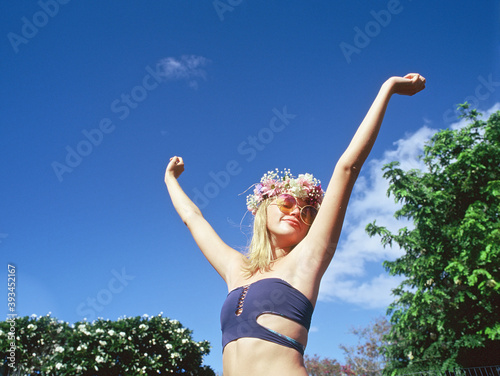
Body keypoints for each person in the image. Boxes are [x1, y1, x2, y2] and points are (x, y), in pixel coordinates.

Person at [164, 73, 426, 375]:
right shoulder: (237, 269)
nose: (295, 212)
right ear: (263, 210)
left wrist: (388, 89)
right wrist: (169, 178)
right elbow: (193, 219)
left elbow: (347, 167)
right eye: (287, 202)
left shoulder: (307, 261)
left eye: (307, 212)